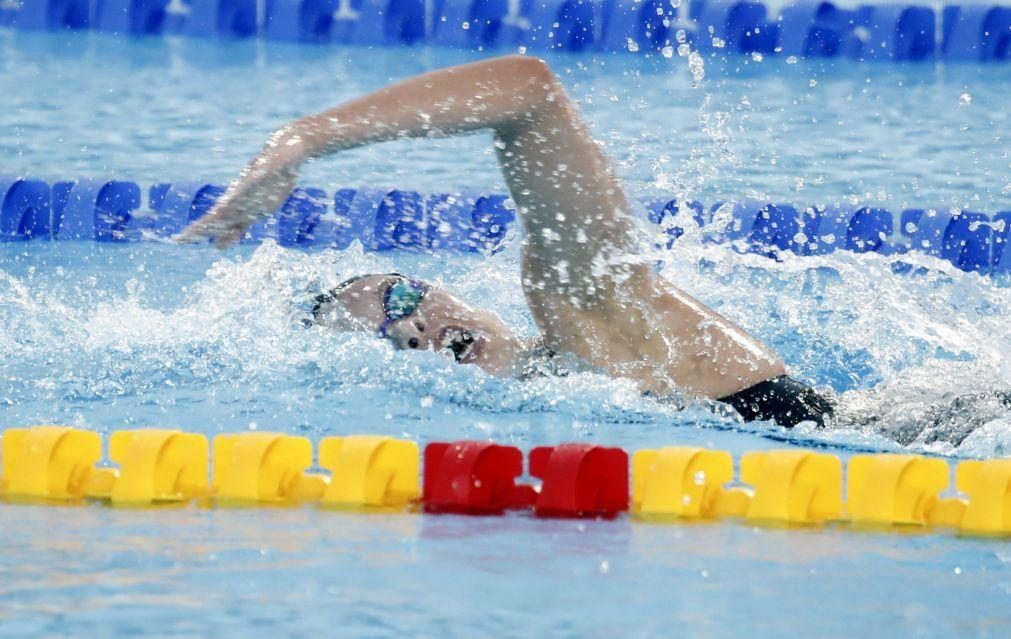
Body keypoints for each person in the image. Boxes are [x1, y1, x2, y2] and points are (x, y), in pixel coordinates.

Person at [178, 55, 833, 428]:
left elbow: (530, 94)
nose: (415, 329)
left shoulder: (574, 303)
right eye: (390, 340)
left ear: (441, 287)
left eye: (401, 296)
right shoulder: (563, 389)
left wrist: (303, 137)